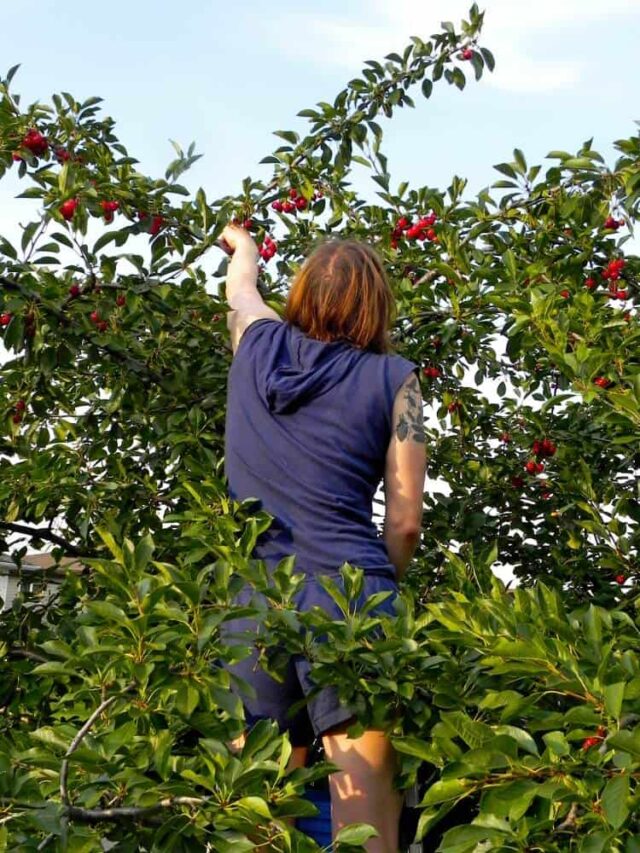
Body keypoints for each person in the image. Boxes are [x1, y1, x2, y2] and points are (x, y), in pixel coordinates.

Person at [220, 223, 426, 852]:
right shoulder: (396, 379)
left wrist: (245, 249)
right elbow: (406, 519)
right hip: (350, 598)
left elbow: (241, 292)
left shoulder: (253, 344)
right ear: (376, 306)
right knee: (365, 825)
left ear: (303, 294)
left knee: (252, 815)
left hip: (254, 604)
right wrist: (377, 589)